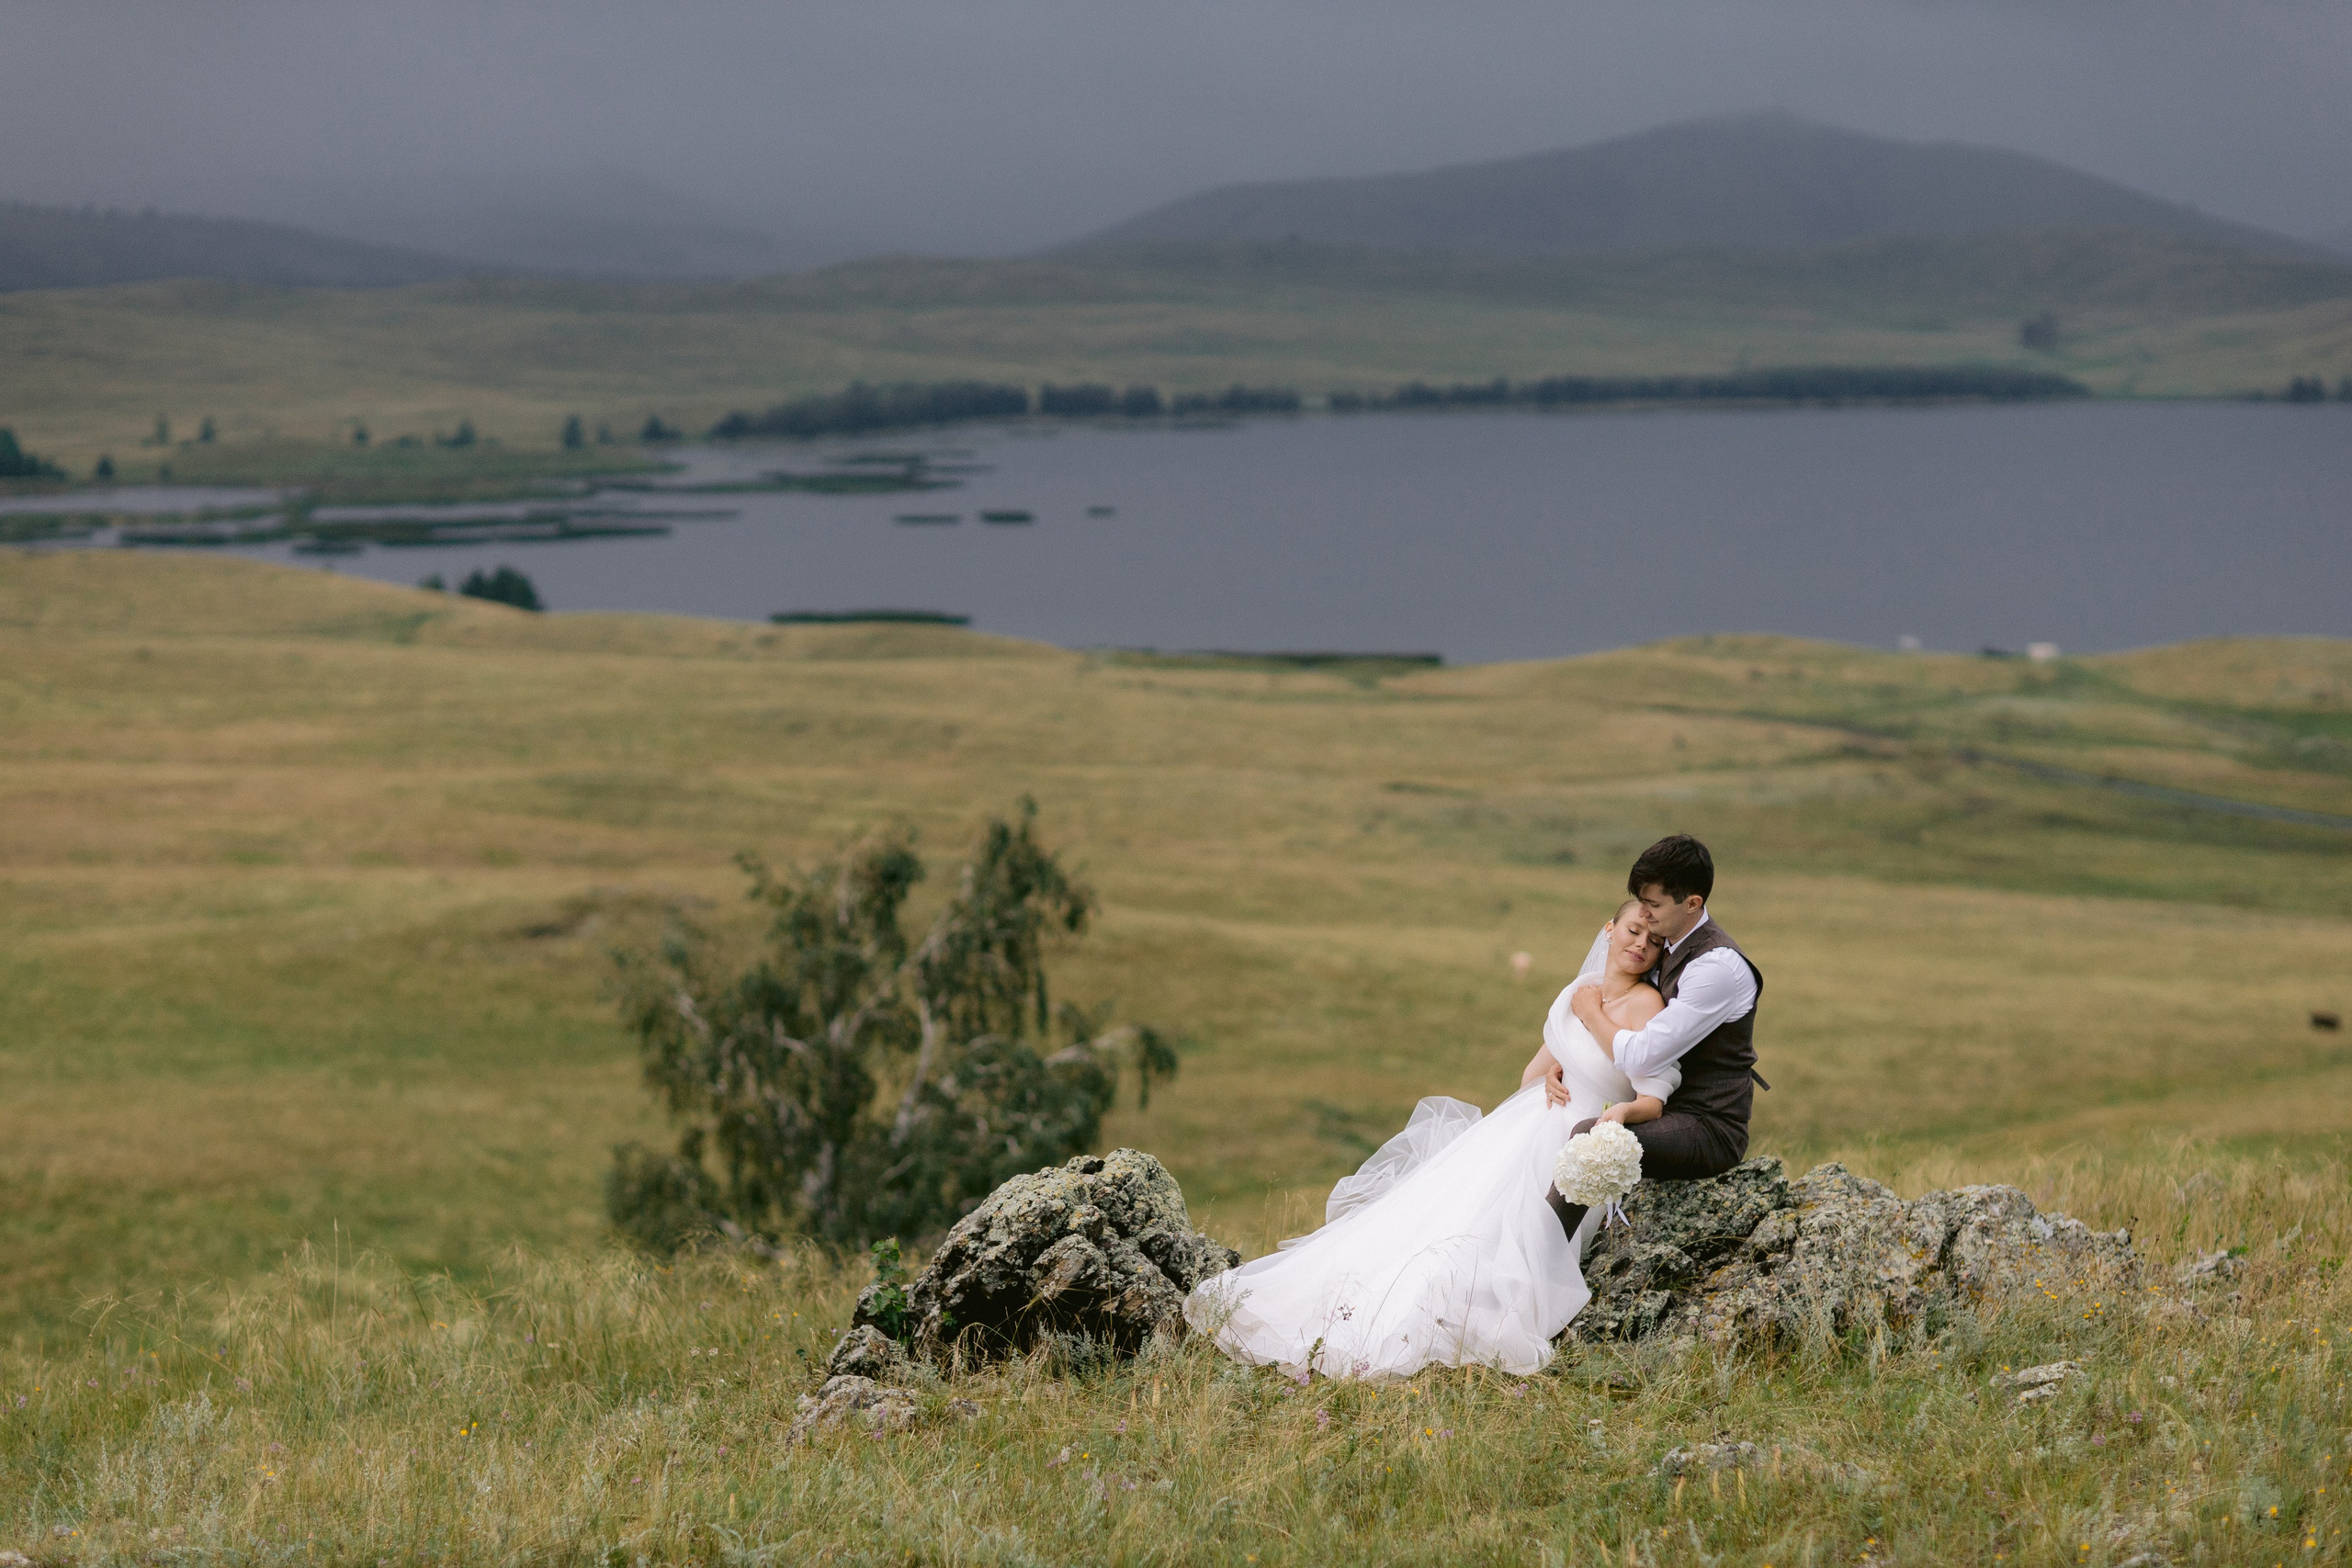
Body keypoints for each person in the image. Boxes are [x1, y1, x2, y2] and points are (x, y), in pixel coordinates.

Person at [1182, 899, 1677, 1378]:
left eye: (1654, 942)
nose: (1641, 946)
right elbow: (1531, 1074)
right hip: (1526, 1125)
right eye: (1633, 931)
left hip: (1579, 1144)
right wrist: (1554, 1075)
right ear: (1609, 930)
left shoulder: (1646, 1003)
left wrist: (1618, 1115)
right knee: (1444, 1223)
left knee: (1504, 1246)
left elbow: (1653, 1095)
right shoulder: (1581, 988)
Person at [1538, 833, 1765, 1242]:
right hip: (1661, 1105)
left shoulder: (1715, 968)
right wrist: (1571, 1062)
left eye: (1655, 905)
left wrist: (1588, 1013)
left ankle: (1544, 1252)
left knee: (1591, 1139)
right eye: (1641, 901)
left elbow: (1639, 1056)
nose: (1644, 914)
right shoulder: (1666, 947)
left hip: (1706, 1124)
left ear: (1693, 903)